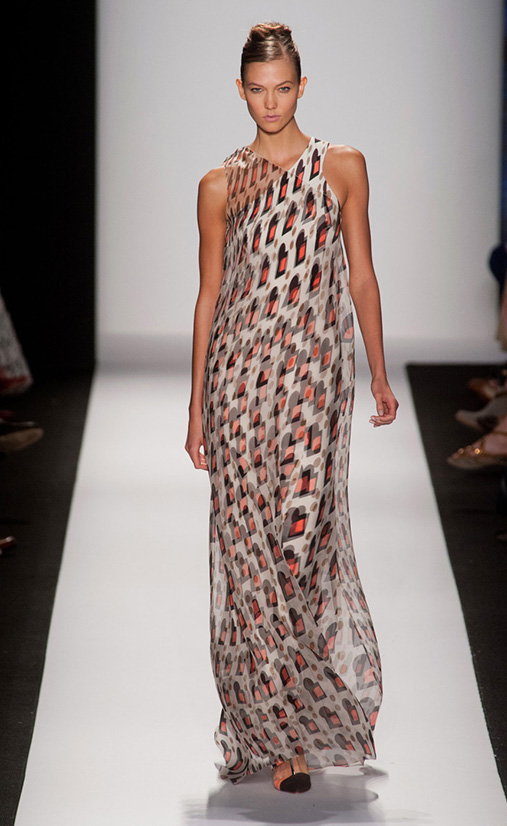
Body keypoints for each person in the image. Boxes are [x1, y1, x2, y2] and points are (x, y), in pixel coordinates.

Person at [185, 21, 398, 794]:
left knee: (300, 549)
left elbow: (361, 276)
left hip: (313, 385)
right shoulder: (219, 185)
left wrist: (379, 374)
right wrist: (196, 409)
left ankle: (298, 714)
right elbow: (210, 296)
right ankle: (282, 740)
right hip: (239, 386)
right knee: (250, 558)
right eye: (257, 90)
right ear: (240, 91)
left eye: (282, 89)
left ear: (301, 87)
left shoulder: (343, 166)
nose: (270, 102)